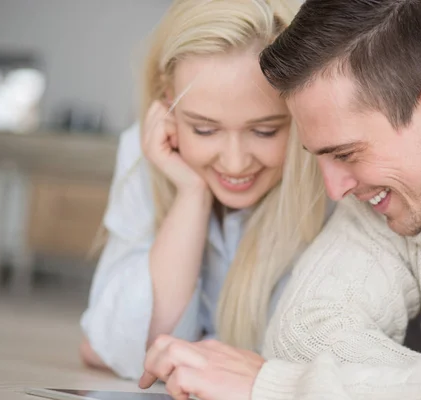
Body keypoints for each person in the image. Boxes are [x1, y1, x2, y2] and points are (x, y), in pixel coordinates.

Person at [136, 0, 421, 399]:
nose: (335, 190)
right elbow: (305, 335)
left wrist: (282, 390)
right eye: (321, 157)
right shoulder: (390, 198)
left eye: (346, 154)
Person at [78, 0, 329, 380]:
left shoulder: (334, 173)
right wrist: (190, 195)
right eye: (205, 129)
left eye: (265, 131)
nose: (234, 162)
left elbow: (317, 355)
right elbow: (124, 348)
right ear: (168, 104)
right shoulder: (148, 150)